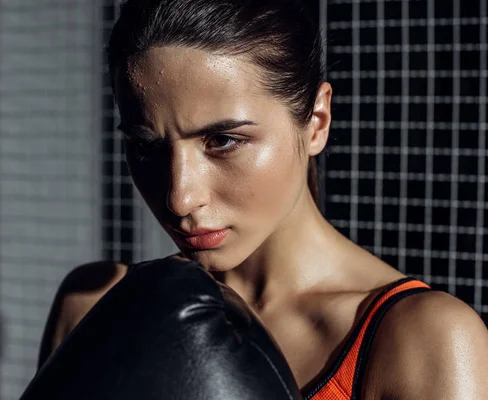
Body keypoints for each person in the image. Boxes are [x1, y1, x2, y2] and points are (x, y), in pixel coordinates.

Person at [38, 0, 488, 398]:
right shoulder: (95, 304)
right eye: (146, 146)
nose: (180, 197)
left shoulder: (423, 340)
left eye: (223, 140)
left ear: (316, 121)